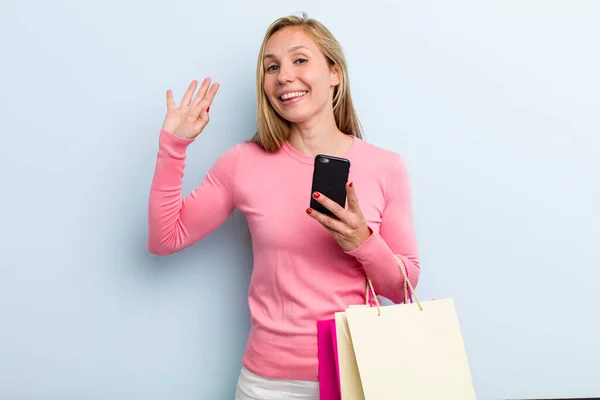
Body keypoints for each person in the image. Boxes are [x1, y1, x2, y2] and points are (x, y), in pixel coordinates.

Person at [147, 13, 420, 400]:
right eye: (271, 66)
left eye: (300, 60)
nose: (283, 76)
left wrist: (362, 240)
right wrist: (173, 147)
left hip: (359, 378)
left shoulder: (385, 166)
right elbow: (164, 238)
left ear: (334, 74)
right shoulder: (243, 162)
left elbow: (404, 288)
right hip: (266, 385)